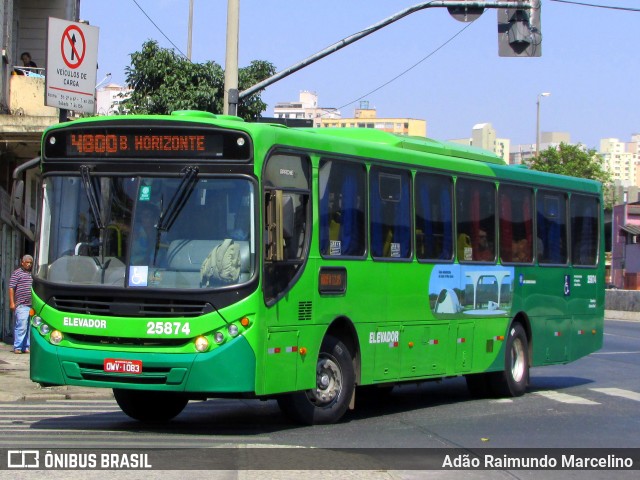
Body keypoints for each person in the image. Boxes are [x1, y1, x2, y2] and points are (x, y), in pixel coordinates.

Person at [9, 255, 33, 354]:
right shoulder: (17, 273)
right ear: (22, 262)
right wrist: (12, 303)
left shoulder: (33, 273)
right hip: (22, 305)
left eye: (30, 263)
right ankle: (17, 347)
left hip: (32, 305)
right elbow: (11, 288)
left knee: (29, 327)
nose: (29, 264)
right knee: (21, 326)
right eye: (27, 262)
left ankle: (26, 347)